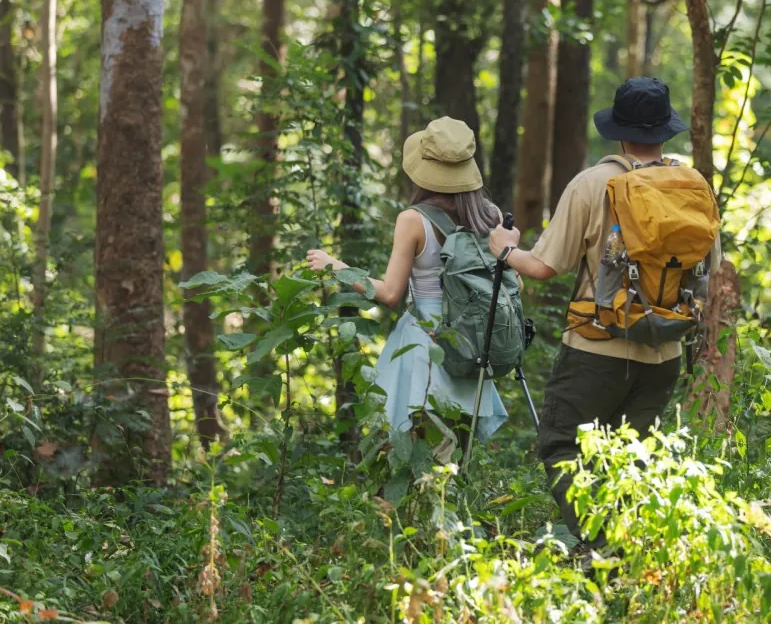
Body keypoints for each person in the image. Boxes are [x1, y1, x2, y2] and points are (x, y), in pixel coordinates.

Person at [488, 76, 717, 552]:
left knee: (562, 445)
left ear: (618, 130)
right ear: (664, 131)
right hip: (665, 351)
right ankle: (634, 555)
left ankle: (604, 550)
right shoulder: (690, 184)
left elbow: (546, 266)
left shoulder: (594, 183)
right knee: (632, 460)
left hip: (597, 348)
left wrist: (506, 251)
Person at [307, 117, 508, 447]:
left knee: (410, 453)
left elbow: (389, 293)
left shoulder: (413, 220)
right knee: (453, 457)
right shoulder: (491, 215)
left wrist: (335, 266)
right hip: (472, 342)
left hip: (424, 344)